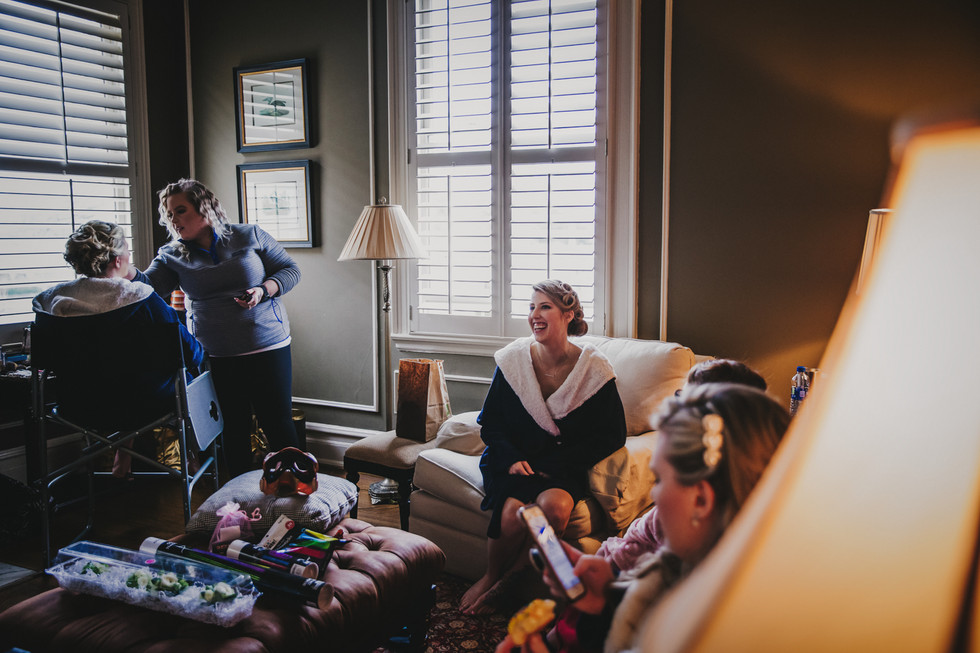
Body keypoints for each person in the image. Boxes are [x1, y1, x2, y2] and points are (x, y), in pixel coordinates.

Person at [498, 382, 789, 652]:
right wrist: (606, 595)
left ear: (701, 500)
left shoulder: (713, 629)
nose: (654, 496)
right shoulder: (694, 575)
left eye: (659, 480)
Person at [460, 280, 628, 614]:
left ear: (569, 314)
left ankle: (510, 579)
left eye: (545, 307)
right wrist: (510, 458)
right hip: (514, 461)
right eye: (531, 307)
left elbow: (612, 435)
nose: (534, 315)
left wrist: (560, 463)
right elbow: (490, 422)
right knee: (512, 515)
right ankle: (491, 575)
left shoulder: (593, 371)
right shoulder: (513, 362)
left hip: (561, 466)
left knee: (555, 508)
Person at [125, 178, 302, 477]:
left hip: (268, 345)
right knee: (232, 427)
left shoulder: (249, 235)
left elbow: (290, 270)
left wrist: (263, 290)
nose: (173, 219)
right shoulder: (171, 255)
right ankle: (237, 498)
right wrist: (124, 268)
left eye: (181, 210)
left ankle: (297, 488)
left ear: (204, 208)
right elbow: (148, 286)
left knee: (278, 423)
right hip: (216, 354)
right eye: (169, 214)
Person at [32, 220, 204, 478]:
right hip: (145, 404)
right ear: (117, 260)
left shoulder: (51, 302)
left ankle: (123, 454)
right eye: (127, 249)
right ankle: (193, 458)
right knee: (189, 377)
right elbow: (189, 353)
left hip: (78, 406)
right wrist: (200, 353)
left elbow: (44, 360)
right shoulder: (141, 298)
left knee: (119, 378)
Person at [597, 358, 768, 572]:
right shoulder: (663, 517)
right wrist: (601, 567)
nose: (653, 494)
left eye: (661, 480)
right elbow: (631, 546)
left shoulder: (714, 545)